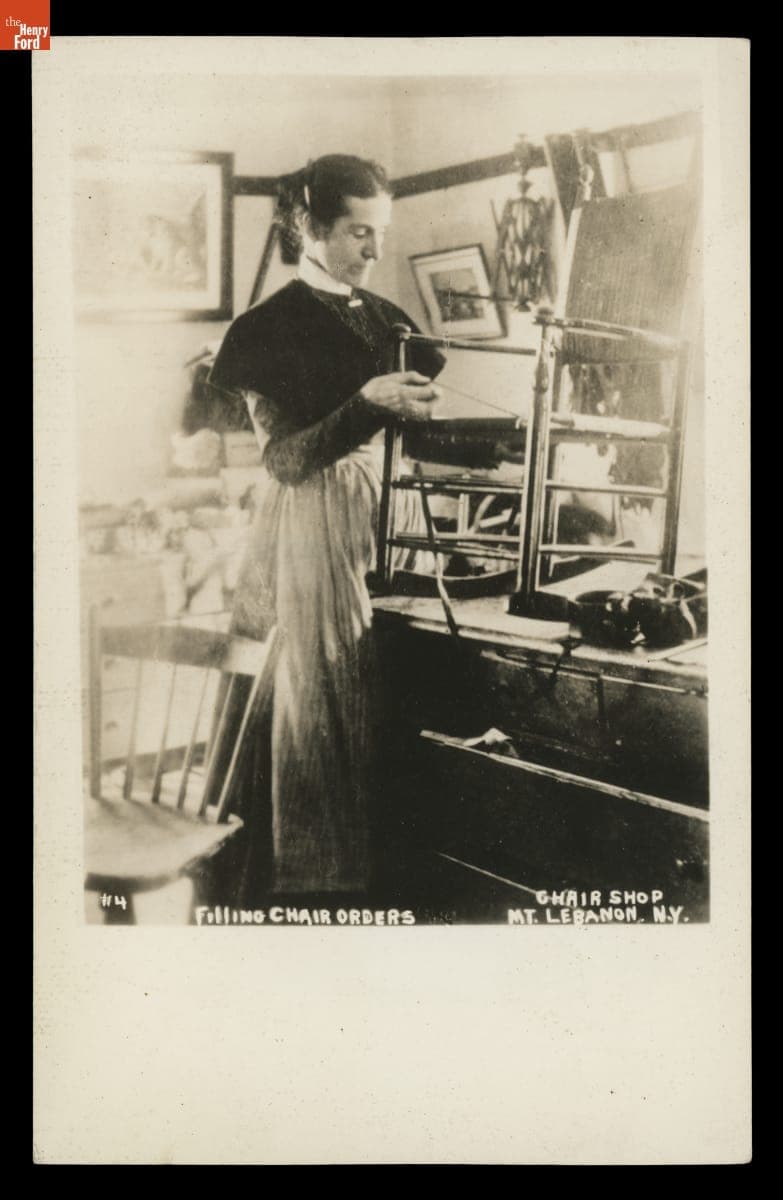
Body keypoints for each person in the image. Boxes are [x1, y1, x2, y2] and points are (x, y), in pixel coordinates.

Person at [208, 154, 445, 900]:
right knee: (320, 698)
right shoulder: (262, 329)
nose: (375, 253)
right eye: (357, 233)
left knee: (393, 687)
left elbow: (403, 427)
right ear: (306, 226)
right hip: (311, 522)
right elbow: (284, 460)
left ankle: (394, 871)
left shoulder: (388, 320)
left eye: (380, 234)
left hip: (388, 511)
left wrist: (411, 415)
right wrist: (371, 402)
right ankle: (323, 879)